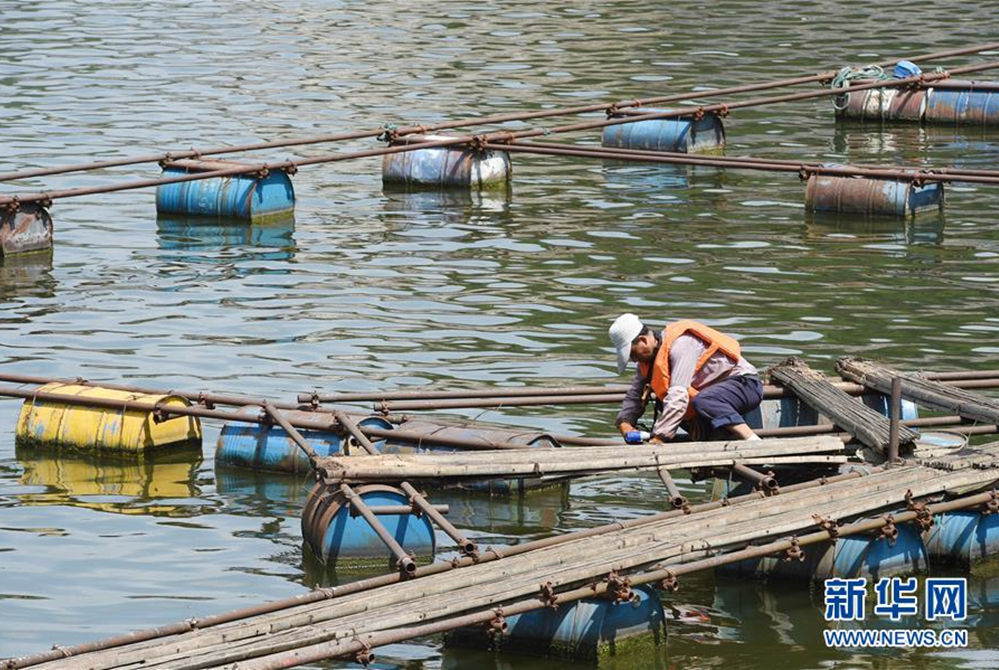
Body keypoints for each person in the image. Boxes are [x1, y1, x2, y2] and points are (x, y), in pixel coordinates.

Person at [608, 313, 763, 444]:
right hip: (713, 398)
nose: (634, 360)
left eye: (633, 354)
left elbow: (678, 395)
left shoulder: (681, 345)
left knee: (703, 400)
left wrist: (659, 437)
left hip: (744, 384)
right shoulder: (648, 362)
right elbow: (635, 394)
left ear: (643, 341)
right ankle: (713, 436)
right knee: (665, 399)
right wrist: (625, 423)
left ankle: (753, 441)